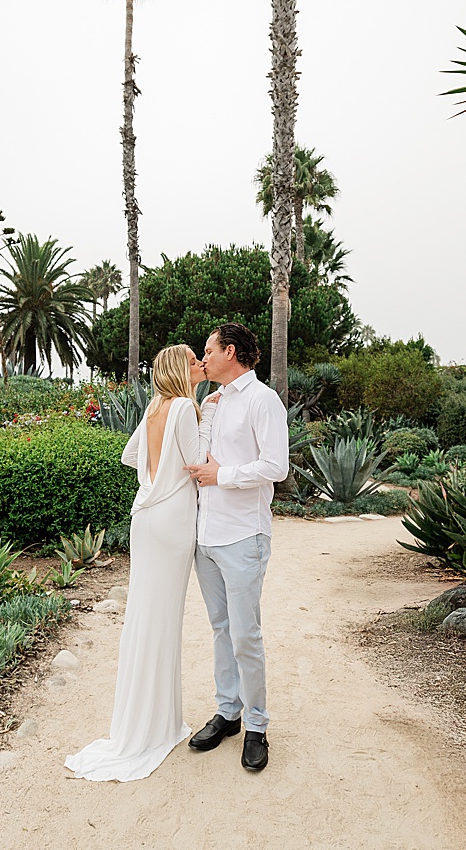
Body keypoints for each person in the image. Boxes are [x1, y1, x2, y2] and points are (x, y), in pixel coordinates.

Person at [65, 344, 217, 782]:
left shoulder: (154, 407)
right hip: (171, 519)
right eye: (193, 361)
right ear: (179, 370)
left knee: (145, 616)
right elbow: (198, 463)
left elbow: (132, 457)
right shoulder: (186, 408)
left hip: (145, 515)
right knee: (162, 619)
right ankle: (156, 727)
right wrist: (205, 415)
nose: (199, 365)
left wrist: (154, 477)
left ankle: (146, 723)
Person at [183, 322, 289, 772]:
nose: (202, 358)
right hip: (206, 537)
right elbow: (199, 460)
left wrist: (221, 475)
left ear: (230, 352)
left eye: (208, 350)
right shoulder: (212, 401)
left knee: (246, 635)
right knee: (221, 629)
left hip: (243, 535)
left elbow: (276, 466)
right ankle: (228, 713)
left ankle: (258, 726)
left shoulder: (263, 400)